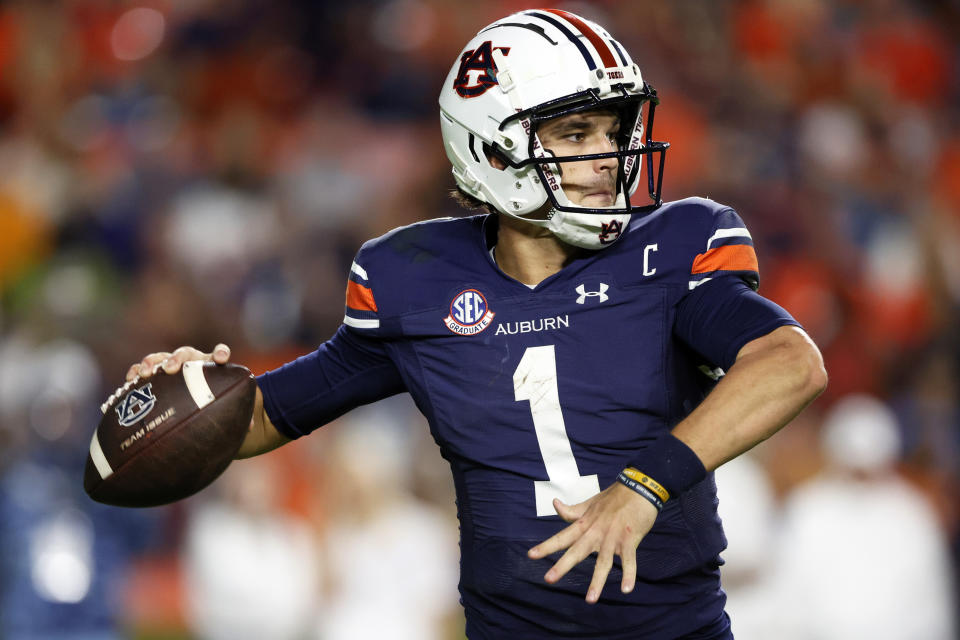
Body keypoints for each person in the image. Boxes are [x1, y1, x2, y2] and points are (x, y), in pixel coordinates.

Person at [123, 9, 826, 640]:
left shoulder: (672, 246)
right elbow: (266, 417)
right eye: (577, 133)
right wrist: (185, 396)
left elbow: (791, 362)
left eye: (614, 131)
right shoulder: (414, 279)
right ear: (493, 149)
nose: (609, 158)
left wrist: (644, 486)